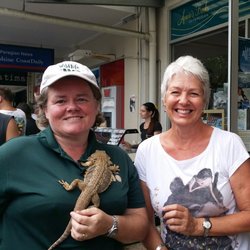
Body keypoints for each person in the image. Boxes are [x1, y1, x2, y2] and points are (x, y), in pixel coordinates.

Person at [0, 61, 148, 250]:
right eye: (60, 100)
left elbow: (141, 226)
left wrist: (110, 225)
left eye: (82, 99)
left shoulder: (118, 157)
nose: (72, 107)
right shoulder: (13, 154)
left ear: (96, 106)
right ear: (45, 109)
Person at [134, 55, 250, 250]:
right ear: (164, 99)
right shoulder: (147, 151)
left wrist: (198, 226)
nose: (183, 101)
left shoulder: (229, 144)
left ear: (204, 100)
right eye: (175, 92)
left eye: (194, 93)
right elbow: (143, 219)